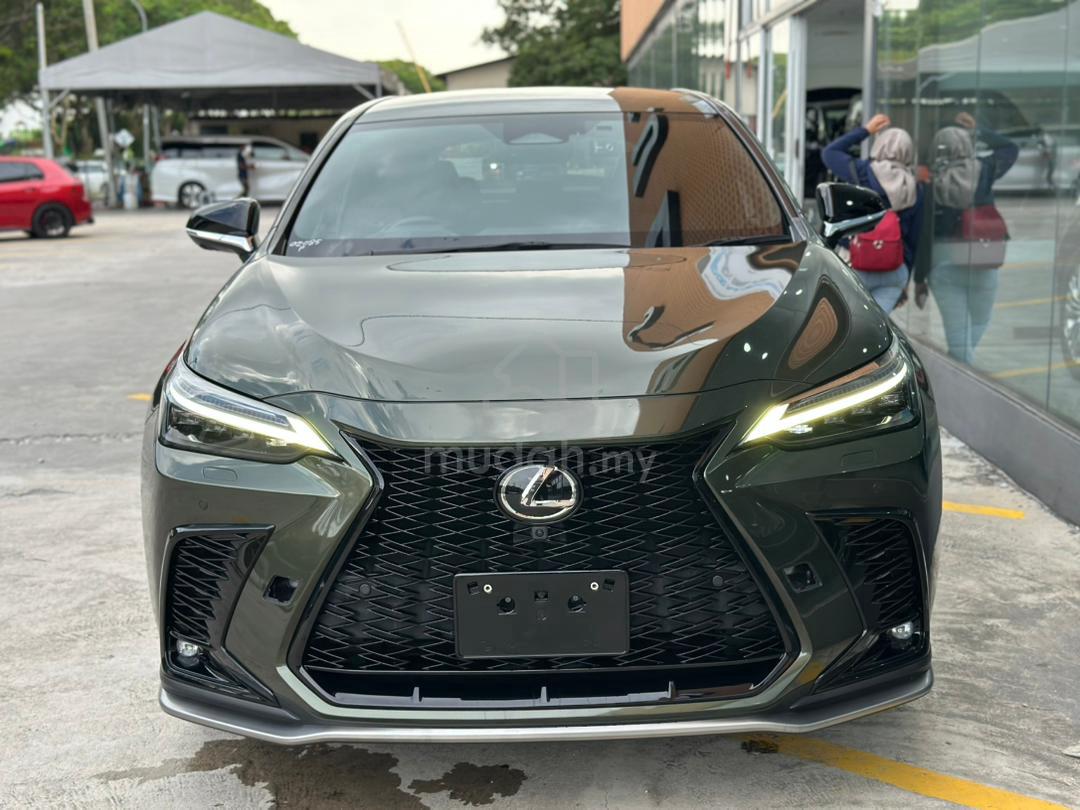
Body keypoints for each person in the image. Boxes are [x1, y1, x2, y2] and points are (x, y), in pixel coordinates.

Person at [914, 113, 1018, 363]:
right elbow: (1010, 148)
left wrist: (919, 279)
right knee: (980, 322)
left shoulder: (929, 182)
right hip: (983, 261)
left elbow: (924, 233)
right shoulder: (985, 170)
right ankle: (963, 367)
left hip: (942, 267)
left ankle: (961, 367)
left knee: (957, 337)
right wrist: (978, 130)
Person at [823, 113, 925, 312]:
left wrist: (866, 130)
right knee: (875, 325)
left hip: (855, 263)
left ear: (880, 146)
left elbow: (830, 152)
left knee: (849, 323)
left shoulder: (862, 172)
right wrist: (905, 281)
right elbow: (914, 238)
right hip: (894, 271)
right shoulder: (916, 187)